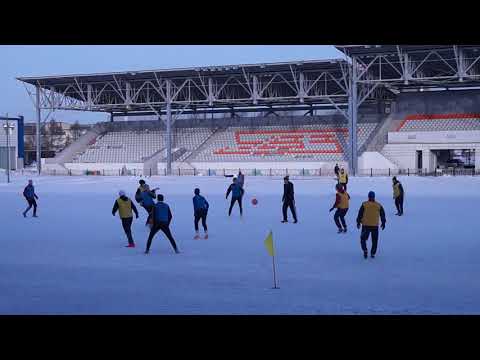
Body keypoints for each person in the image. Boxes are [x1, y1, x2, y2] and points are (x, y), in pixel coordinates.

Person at [356, 191, 386, 259]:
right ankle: (372, 253)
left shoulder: (364, 204)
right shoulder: (378, 205)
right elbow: (382, 214)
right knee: (374, 240)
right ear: (374, 197)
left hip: (366, 225)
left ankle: (365, 250)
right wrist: (383, 223)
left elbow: (360, 214)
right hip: (375, 226)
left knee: (363, 239)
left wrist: (358, 222)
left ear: (368, 197)